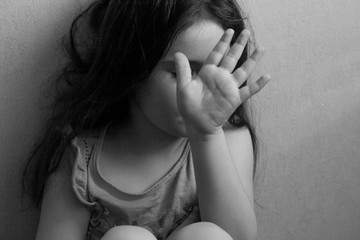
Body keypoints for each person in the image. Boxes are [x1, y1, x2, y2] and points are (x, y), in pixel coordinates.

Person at [22, 0, 271, 240]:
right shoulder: (81, 161)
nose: (201, 93)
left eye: (219, 72)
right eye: (182, 72)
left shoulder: (229, 139)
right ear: (132, 70)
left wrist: (207, 135)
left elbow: (236, 237)